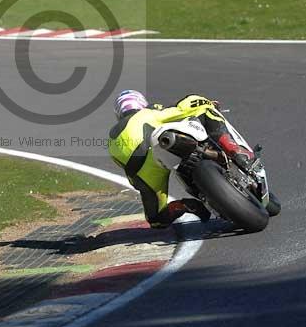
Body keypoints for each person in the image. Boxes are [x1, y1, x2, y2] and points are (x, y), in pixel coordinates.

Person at [107, 90, 258, 228]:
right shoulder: (149, 111)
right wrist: (209, 105)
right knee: (202, 105)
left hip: (142, 165)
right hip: (160, 139)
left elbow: (131, 173)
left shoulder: (111, 139)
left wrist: (145, 186)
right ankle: (232, 147)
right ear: (141, 103)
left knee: (157, 219)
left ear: (119, 113)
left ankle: (184, 205)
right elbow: (179, 111)